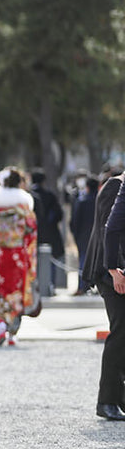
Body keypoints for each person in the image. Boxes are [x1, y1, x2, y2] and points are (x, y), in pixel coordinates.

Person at [0, 168, 38, 346]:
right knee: (16, 291)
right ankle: (12, 333)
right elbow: (31, 229)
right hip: (17, 254)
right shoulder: (23, 204)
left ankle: (2, 324)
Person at [95, 174, 125, 420]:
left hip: (116, 270)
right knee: (120, 334)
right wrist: (114, 268)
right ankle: (107, 401)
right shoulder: (115, 186)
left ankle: (118, 397)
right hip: (111, 273)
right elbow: (109, 229)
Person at [31, 170, 65, 295]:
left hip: (33, 234)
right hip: (50, 234)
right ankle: (50, 285)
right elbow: (59, 214)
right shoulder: (50, 195)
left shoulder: (29, 196)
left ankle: (36, 286)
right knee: (51, 260)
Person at [70, 176, 98, 294]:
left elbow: (75, 220)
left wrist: (75, 234)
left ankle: (82, 286)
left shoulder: (82, 201)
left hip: (83, 235)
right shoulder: (100, 199)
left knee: (83, 261)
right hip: (98, 235)